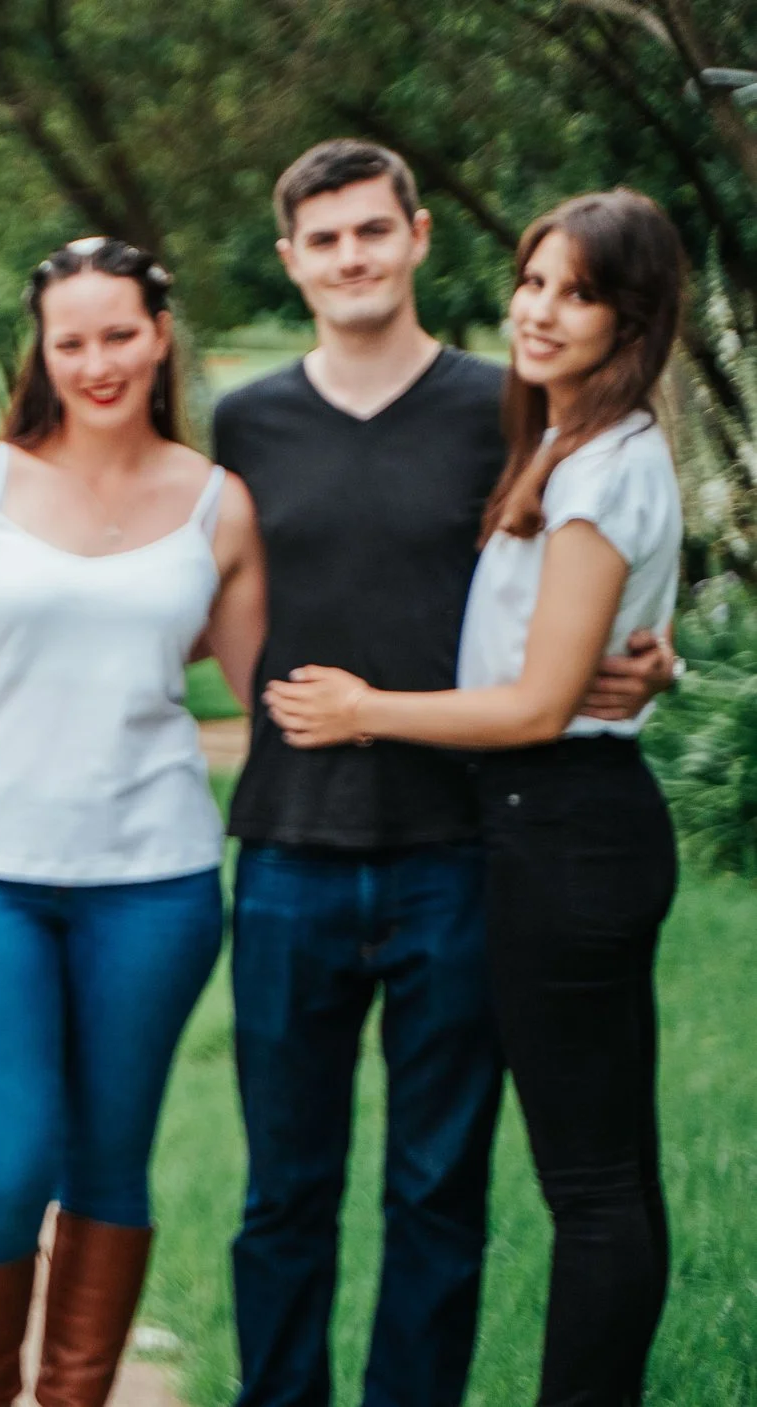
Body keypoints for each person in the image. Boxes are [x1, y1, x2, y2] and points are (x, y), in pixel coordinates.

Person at [212, 142, 674, 1407]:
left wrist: (651, 660)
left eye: (373, 231)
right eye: (324, 239)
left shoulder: (506, 406)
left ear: (417, 237)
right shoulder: (245, 419)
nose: (351, 257)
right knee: (282, 1194)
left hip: (461, 853)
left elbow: (581, 581)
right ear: (290, 260)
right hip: (292, 851)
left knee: (436, 1191)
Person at [0, 236, 266, 1407]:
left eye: (119, 334)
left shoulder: (219, 504)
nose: (97, 361)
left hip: (157, 880)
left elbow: (271, 693)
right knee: (8, 1173)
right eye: (71, 341)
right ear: (44, 349)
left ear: (160, 334)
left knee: (111, 1168)